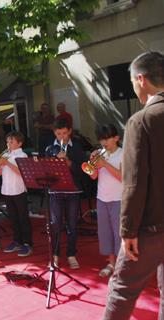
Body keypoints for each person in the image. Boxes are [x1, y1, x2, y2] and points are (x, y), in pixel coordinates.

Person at [103, 51, 164, 319]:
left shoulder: (142, 120)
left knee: (122, 289)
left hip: (151, 227)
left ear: (141, 79)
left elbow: (134, 182)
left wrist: (127, 231)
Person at [45, 118, 85, 269]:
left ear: (69, 132)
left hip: (73, 190)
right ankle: (55, 255)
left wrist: (68, 162)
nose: (61, 136)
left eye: (64, 133)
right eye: (58, 134)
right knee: (55, 224)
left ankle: (71, 254)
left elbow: (82, 171)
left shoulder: (77, 148)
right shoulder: (50, 149)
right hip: (55, 191)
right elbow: (46, 171)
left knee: (72, 224)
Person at [87, 124, 122, 278]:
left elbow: (123, 177)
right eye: (101, 139)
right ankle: (111, 263)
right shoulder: (100, 153)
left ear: (116, 138)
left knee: (119, 233)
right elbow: (93, 176)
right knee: (105, 233)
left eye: (107, 139)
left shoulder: (123, 153)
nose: (104, 143)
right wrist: (92, 165)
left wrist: (105, 164)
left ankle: (122, 266)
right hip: (102, 197)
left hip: (119, 198)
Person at [0, 131, 32, 257]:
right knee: (13, 218)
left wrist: (6, 163)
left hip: (18, 190)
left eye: (11, 141)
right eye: (7, 141)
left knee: (23, 218)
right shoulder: (6, 154)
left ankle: (27, 243)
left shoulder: (22, 155)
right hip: (7, 190)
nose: (8, 144)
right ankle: (17, 240)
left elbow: (22, 172)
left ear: (19, 143)